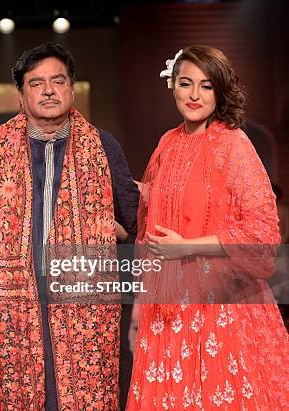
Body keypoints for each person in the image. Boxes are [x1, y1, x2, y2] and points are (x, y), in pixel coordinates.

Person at [0, 42, 139, 410]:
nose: (47, 91)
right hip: (9, 300)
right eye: (36, 83)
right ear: (20, 94)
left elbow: (134, 219)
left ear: (72, 89)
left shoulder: (103, 145)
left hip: (84, 301)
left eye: (57, 81)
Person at [127, 46, 289, 409]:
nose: (195, 95)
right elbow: (152, 205)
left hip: (224, 305)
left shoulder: (233, 145)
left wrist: (186, 247)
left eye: (206, 86)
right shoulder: (167, 144)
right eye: (186, 84)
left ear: (219, 91)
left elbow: (262, 232)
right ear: (172, 86)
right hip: (169, 306)